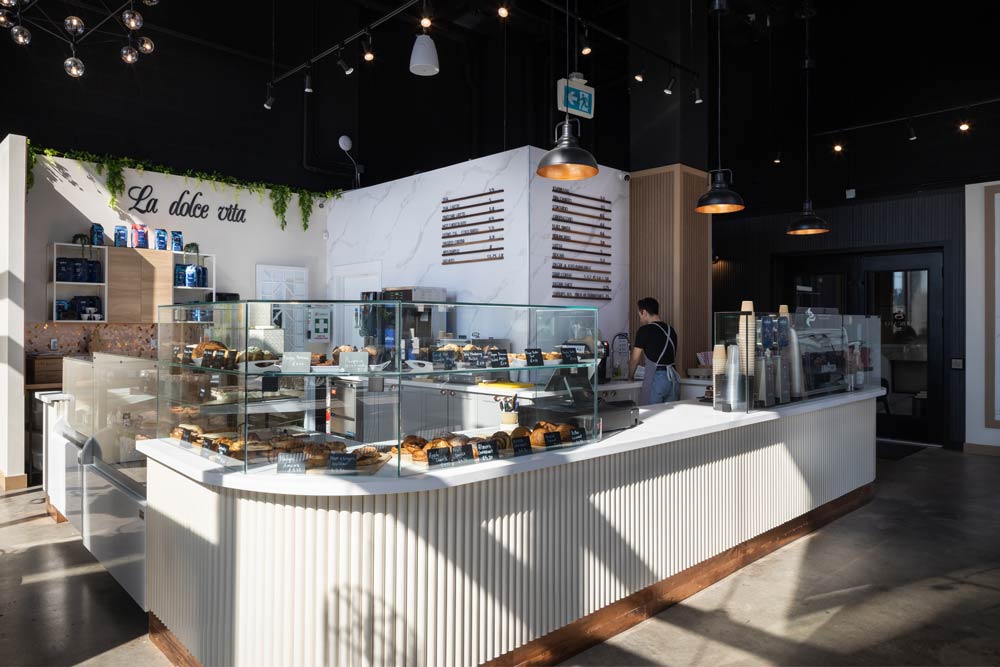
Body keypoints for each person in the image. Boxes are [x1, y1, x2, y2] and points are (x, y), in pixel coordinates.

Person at [629, 297, 680, 404]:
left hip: (657, 379)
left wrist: (630, 376)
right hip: (673, 379)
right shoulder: (671, 330)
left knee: (650, 414)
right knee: (669, 418)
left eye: (639, 315)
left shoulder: (644, 330)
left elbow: (634, 359)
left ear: (644, 312)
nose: (640, 319)